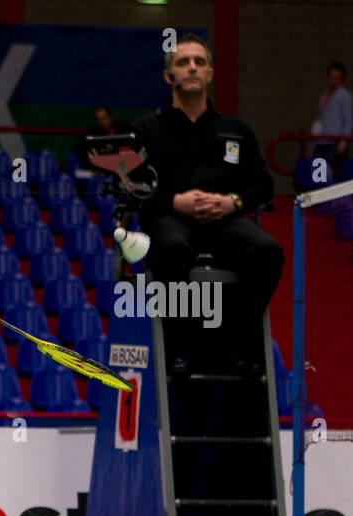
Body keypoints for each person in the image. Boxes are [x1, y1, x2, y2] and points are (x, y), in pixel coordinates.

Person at [131, 33, 282, 364]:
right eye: (183, 62)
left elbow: (262, 186)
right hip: (170, 220)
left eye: (199, 62)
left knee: (267, 250)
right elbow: (134, 188)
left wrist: (233, 203)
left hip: (223, 222)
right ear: (169, 76)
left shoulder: (236, 130)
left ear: (211, 74)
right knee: (171, 248)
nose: (192, 68)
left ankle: (239, 343)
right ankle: (180, 349)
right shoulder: (146, 129)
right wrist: (174, 202)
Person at [310, 61, 353, 168]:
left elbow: (348, 121)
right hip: (320, 142)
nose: (334, 80)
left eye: (337, 78)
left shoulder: (345, 96)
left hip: (334, 143)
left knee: (331, 173)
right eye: (332, 77)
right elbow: (320, 120)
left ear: (341, 79)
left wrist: (343, 143)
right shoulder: (324, 96)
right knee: (318, 175)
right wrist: (312, 146)